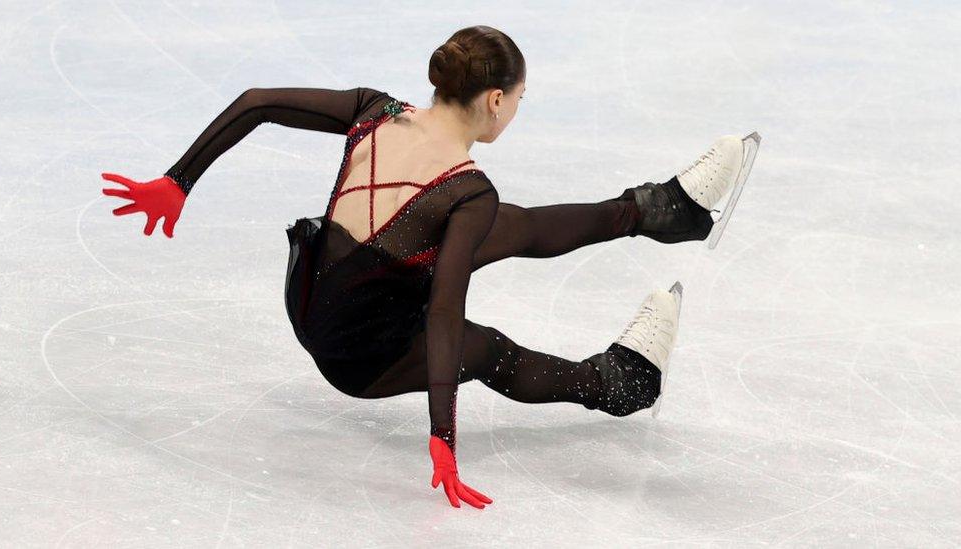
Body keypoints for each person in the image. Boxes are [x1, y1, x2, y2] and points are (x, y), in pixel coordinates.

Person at [100, 25, 757, 510]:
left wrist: (177, 181)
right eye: (520, 98)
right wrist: (443, 434)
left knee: (514, 227)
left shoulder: (373, 110)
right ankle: (622, 385)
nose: (517, 110)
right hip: (361, 355)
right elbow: (444, 313)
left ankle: (665, 210)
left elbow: (255, 101)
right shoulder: (467, 190)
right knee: (490, 351)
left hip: (313, 299)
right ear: (495, 100)